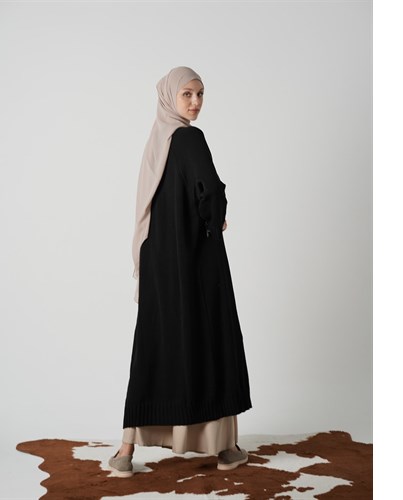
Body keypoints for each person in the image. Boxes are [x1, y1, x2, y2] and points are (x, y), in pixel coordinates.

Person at [108, 66, 252, 478]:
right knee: (210, 338)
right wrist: (217, 216)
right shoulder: (190, 138)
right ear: (170, 96)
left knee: (156, 343)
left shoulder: (158, 141)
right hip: (194, 258)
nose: (195, 102)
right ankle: (225, 448)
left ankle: (125, 451)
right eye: (187, 94)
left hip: (157, 259)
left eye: (200, 94)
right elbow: (211, 191)